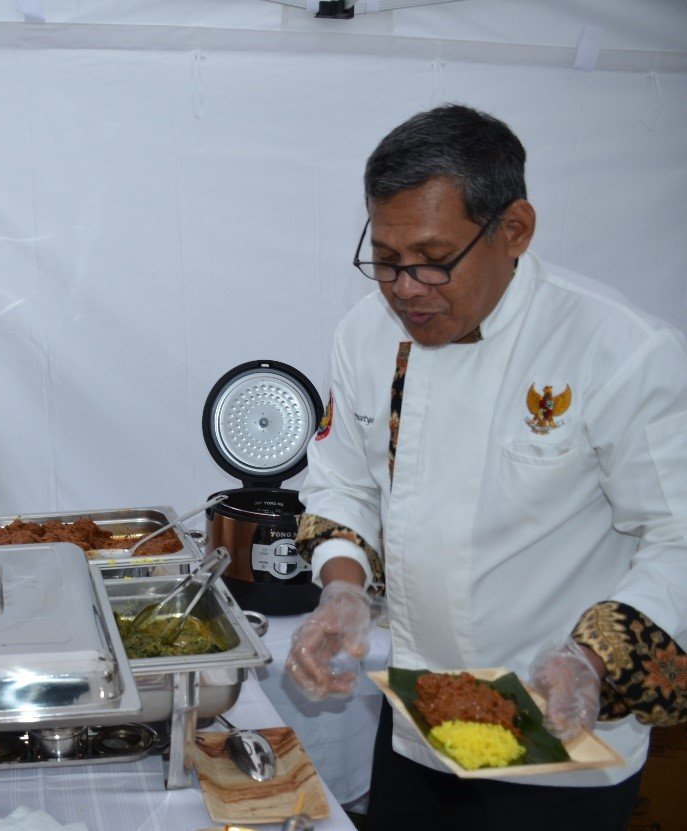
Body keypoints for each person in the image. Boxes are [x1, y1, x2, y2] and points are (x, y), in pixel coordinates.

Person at [284, 104, 684, 830]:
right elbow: (342, 480)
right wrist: (342, 588)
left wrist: (591, 659)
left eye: (433, 259)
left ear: (514, 230)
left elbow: (678, 537)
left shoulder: (620, 351)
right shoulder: (364, 334)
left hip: (560, 727)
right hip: (421, 713)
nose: (405, 287)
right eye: (385, 259)